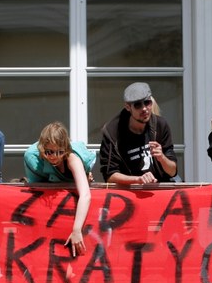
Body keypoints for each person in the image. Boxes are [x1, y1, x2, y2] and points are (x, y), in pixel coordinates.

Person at [24, 122, 95, 256]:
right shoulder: (32, 158)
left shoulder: (73, 158)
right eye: (49, 152)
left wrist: (77, 230)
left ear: (66, 150)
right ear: (42, 148)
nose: (54, 156)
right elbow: (37, 192)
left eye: (59, 152)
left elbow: (85, 195)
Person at [99, 82, 178, 184]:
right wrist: (138, 180)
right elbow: (109, 175)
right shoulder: (112, 132)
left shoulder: (160, 125)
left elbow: (173, 172)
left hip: (160, 189)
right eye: (137, 105)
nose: (144, 108)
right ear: (128, 107)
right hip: (129, 193)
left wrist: (162, 158)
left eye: (147, 103)